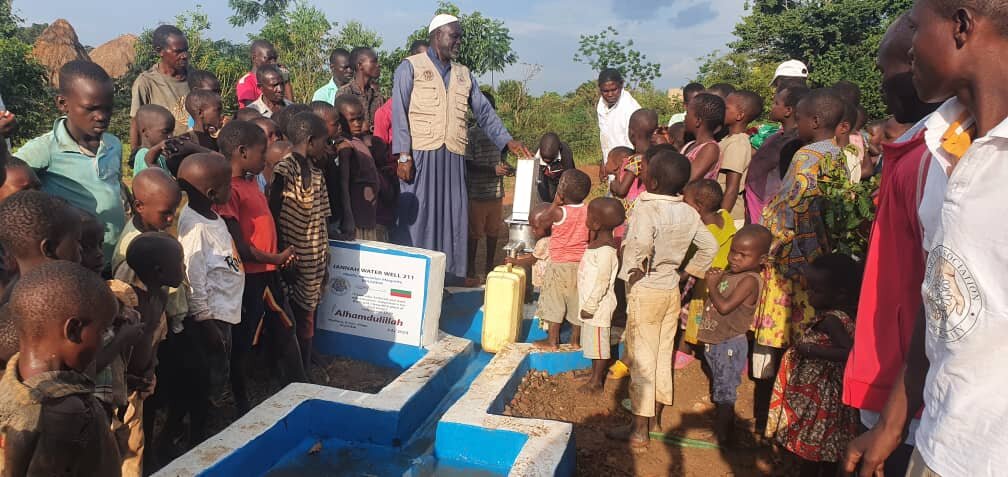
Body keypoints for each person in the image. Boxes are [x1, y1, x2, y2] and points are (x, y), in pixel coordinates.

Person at [844, 1, 1008, 475]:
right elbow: (941, 293)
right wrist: (893, 424)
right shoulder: (944, 146)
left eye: (916, 28)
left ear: (960, 27)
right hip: (940, 442)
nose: (909, 47)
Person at [839, 14, 942, 476]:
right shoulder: (912, 153)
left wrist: (898, 413)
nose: (880, 85)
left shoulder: (936, 160)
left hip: (914, 395)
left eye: (886, 71)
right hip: (894, 378)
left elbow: (938, 293)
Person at [391, 14, 530, 284]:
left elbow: (484, 112)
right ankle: (415, 280)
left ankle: (448, 281)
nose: (458, 41)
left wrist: (507, 140)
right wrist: (404, 155)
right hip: (421, 155)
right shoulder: (410, 67)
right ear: (436, 35)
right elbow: (400, 113)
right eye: (453, 35)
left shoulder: (463, 74)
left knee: (453, 219)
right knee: (419, 218)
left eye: (459, 36)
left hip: (453, 157)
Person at [606, 147, 717, 451]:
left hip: (646, 290)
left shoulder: (647, 207)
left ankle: (639, 431)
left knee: (642, 356)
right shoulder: (688, 211)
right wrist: (685, 272)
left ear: (651, 182)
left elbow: (640, 243)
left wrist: (631, 270)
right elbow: (709, 247)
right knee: (661, 355)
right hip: (670, 290)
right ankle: (653, 420)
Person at [753, 89, 846, 438]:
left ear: (816, 121)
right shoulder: (839, 153)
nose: (798, 125)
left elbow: (789, 207)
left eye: (803, 119)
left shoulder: (807, 155)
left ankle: (771, 421)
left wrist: (767, 236)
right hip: (822, 263)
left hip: (793, 266)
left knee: (782, 346)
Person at [213, 120, 304, 414]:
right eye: (261, 152)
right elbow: (239, 245)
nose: (265, 158)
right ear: (241, 152)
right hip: (250, 278)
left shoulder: (252, 181)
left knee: (286, 326)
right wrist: (275, 258)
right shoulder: (230, 191)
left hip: (269, 273)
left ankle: (299, 386)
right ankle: (241, 401)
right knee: (243, 341)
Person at [0, 261, 121, 477]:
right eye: (102, 331)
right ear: (73, 330)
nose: (103, 342)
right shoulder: (71, 414)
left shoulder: (11, 382)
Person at [15, 60, 125, 266]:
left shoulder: (113, 144)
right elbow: (10, 178)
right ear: (62, 104)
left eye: (107, 109)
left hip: (112, 257)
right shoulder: (45, 149)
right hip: (76, 262)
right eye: (91, 109)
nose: (101, 117)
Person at [767, 254, 861, 476]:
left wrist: (811, 350)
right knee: (826, 446)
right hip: (825, 394)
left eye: (816, 291)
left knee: (813, 443)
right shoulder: (840, 315)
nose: (808, 295)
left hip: (823, 396)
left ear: (838, 294)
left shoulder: (832, 320)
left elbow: (849, 352)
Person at [176, 152, 244, 412]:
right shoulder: (195, 228)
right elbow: (194, 278)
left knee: (220, 365)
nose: (233, 187)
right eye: (229, 183)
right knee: (210, 371)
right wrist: (206, 323)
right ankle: (204, 415)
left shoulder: (211, 217)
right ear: (213, 193)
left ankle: (211, 406)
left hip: (225, 310)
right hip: (211, 318)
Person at [114, 233, 186, 477]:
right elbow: (117, 350)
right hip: (118, 392)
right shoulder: (128, 303)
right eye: (180, 262)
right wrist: (128, 377)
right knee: (116, 450)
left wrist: (149, 371)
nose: (184, 267)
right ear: (159, 271)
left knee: (136, 447)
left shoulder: (160, 297)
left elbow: (154, 343)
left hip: (140, 388)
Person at [269, 112, 331, 370]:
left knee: (310, 308)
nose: (326, 148)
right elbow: (274, 212)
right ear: (310, 140)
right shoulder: (284, 170)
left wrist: (325, 255)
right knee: (295, 312)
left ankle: (306, 360)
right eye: (323, 142)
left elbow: (323, 216)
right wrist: (285, 253)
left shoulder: (317, 174)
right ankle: (298, 369)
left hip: (315, 255)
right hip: (293, 257)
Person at [700, 224, 770, 447]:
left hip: (729, 343)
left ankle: (722, 436)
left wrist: (712, 285)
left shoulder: (749, 280)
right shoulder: (733, 274)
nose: (735, 258)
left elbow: (725, 307)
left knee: (725, 391)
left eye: (743, 255)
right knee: (720, 386)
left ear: (762, 259)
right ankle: (724, 431)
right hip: (719, 341)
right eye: (733, 251)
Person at [532, 169, 592, 351]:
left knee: (554, 303)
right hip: (580, 265)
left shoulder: (559, 212)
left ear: (562, 191)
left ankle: (552, 341)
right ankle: (575, 340)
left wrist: (554, 203)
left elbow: (542, 223)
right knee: (577, 302)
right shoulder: (588, 210)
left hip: (558, 265)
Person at [577, 197, 624, 395]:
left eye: (589, 215)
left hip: (597, 308)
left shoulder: (605, 251)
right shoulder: (598, 245)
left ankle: (596, 381)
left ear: (596, 223)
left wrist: (590, 306)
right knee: (593, 342)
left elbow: (603, 282)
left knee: (599, 345)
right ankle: (593, 373)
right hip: (591, 305)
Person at [682, 180, 737, 347]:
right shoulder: (726, 217)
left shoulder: (704, 233)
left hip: (703, 283)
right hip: (724, 280)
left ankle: (685, 349)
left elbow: (689, 260)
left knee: (691, 316)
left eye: (686, 202)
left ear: (698, 206)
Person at [745, 86, 809, 224]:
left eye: (776, 103)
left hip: (768, 210)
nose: (771, 107)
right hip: (754, 204)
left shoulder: (794, 142)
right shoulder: (775, 137)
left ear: (788, 111)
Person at [465, 91, 509, 284]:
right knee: (474, 235)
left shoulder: (500, 133)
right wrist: (493, 170)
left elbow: (503, 159)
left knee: (493, 233)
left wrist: (507, 169)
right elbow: (468, 164)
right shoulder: (471, 134)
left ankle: (490, 267)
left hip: (496, 193)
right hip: (477, 193)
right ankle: (471, 269)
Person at [130, 25, 190, 154]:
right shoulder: (147, 82)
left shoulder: (194, 78)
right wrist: (135, 154)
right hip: (161, 156)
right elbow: (136, 121)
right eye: (178, 51)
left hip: (191, 154)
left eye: (186, 50)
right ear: (160, 51)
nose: (184, 56)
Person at [335, 96, 386, 242]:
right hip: (357, 219)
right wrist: (348, 217)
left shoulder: (357, 141)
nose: (358, 124)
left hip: (367, 215)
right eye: (352, 120)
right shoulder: (345, 146)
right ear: (340, 120)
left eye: (360, 118)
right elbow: (343, 184)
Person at [719, 91, 763, 218]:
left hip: (730, 216)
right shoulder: (729, 140)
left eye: (726, 108)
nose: (721, 110)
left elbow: (732, 189)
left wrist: (721, 221)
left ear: (739, 115)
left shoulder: (737, 143)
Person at [596, 67, 641, 182]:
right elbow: (606, 137)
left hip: (628, 169)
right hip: (612, 165)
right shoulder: (601, 105)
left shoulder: (630, 109)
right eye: (605, 91)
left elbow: (639, 146)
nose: (610, 94)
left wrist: (629, 174)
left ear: (621, 85)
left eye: (614, 89)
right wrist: (604, 162)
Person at [336, 47, 385, 131]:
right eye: (374, 61)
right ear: (360, 65)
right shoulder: (344, 93)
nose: (378, 65)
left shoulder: (377, 96)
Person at [681, 93, 724, 182]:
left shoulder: (710, 149)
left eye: (688, 113)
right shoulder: (690, 144)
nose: (684, 117)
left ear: (698, 121)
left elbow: (688, 180)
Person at [237, 40, 292, 108]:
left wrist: (286, 79)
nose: (273, 62)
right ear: (254, 58)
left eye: (275, 58)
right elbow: (252, 111)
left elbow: (290, 107)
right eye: (269, 59)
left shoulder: (278, 78)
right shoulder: (246, 82)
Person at [133, 104, 175, 173]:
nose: (171, 136)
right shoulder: (143, 154)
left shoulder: (161, 154)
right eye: (165, 131)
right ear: (145, 132)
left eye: (172, 131)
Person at [535, 132, 575, 203]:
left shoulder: (565, 152)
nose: (547, 162)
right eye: (544, 158)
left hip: (562, 175)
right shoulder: (535, 154)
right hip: (545, 177)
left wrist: (562, 196)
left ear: (559, 149)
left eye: (551, 159)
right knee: (545, 198)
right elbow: (538, 180)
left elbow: (569, 177)